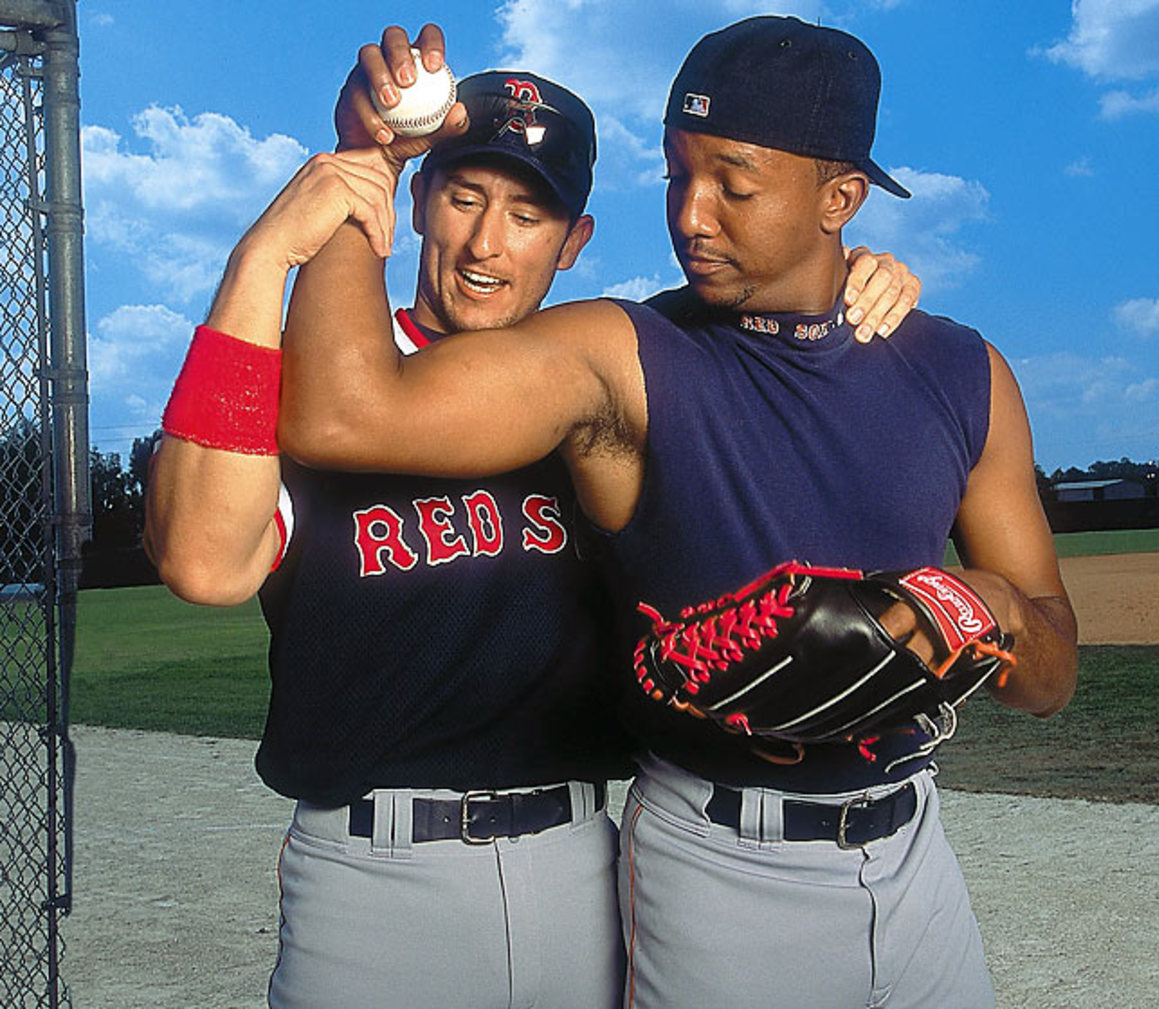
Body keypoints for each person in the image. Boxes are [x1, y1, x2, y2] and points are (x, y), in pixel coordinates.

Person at [279, 16, 1078, 1008]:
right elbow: (341, 412)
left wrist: (986, 610)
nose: (691, 215)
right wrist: (371, 164)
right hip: (721, 866)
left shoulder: (960, 370)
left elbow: (1050, 667)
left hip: (918, 858)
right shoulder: (626, 355)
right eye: (673, 175)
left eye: (734, 185)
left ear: (841, 200)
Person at [144, 25, 920, 1009]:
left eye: (527, 211)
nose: (485, 241)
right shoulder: (316, 382)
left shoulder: (610, 386)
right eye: (464, 195)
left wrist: (853, 272)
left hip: (578, 869)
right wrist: (264, 259)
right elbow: (206, 563)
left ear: (574, 240)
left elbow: (770, 317)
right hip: (370, 879)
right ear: (420, 199)